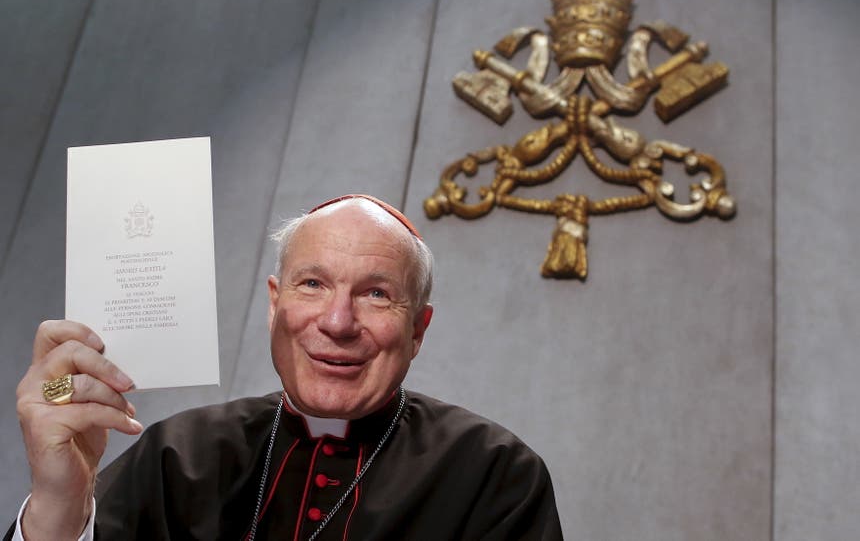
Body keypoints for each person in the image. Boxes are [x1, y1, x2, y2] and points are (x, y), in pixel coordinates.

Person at [8, 194, 562, 540]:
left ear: (417, 329)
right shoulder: (178, 454)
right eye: (313, 284)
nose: (338, 322)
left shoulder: (495, 475)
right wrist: (59, 502)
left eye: (375, 294)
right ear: (276, 305)